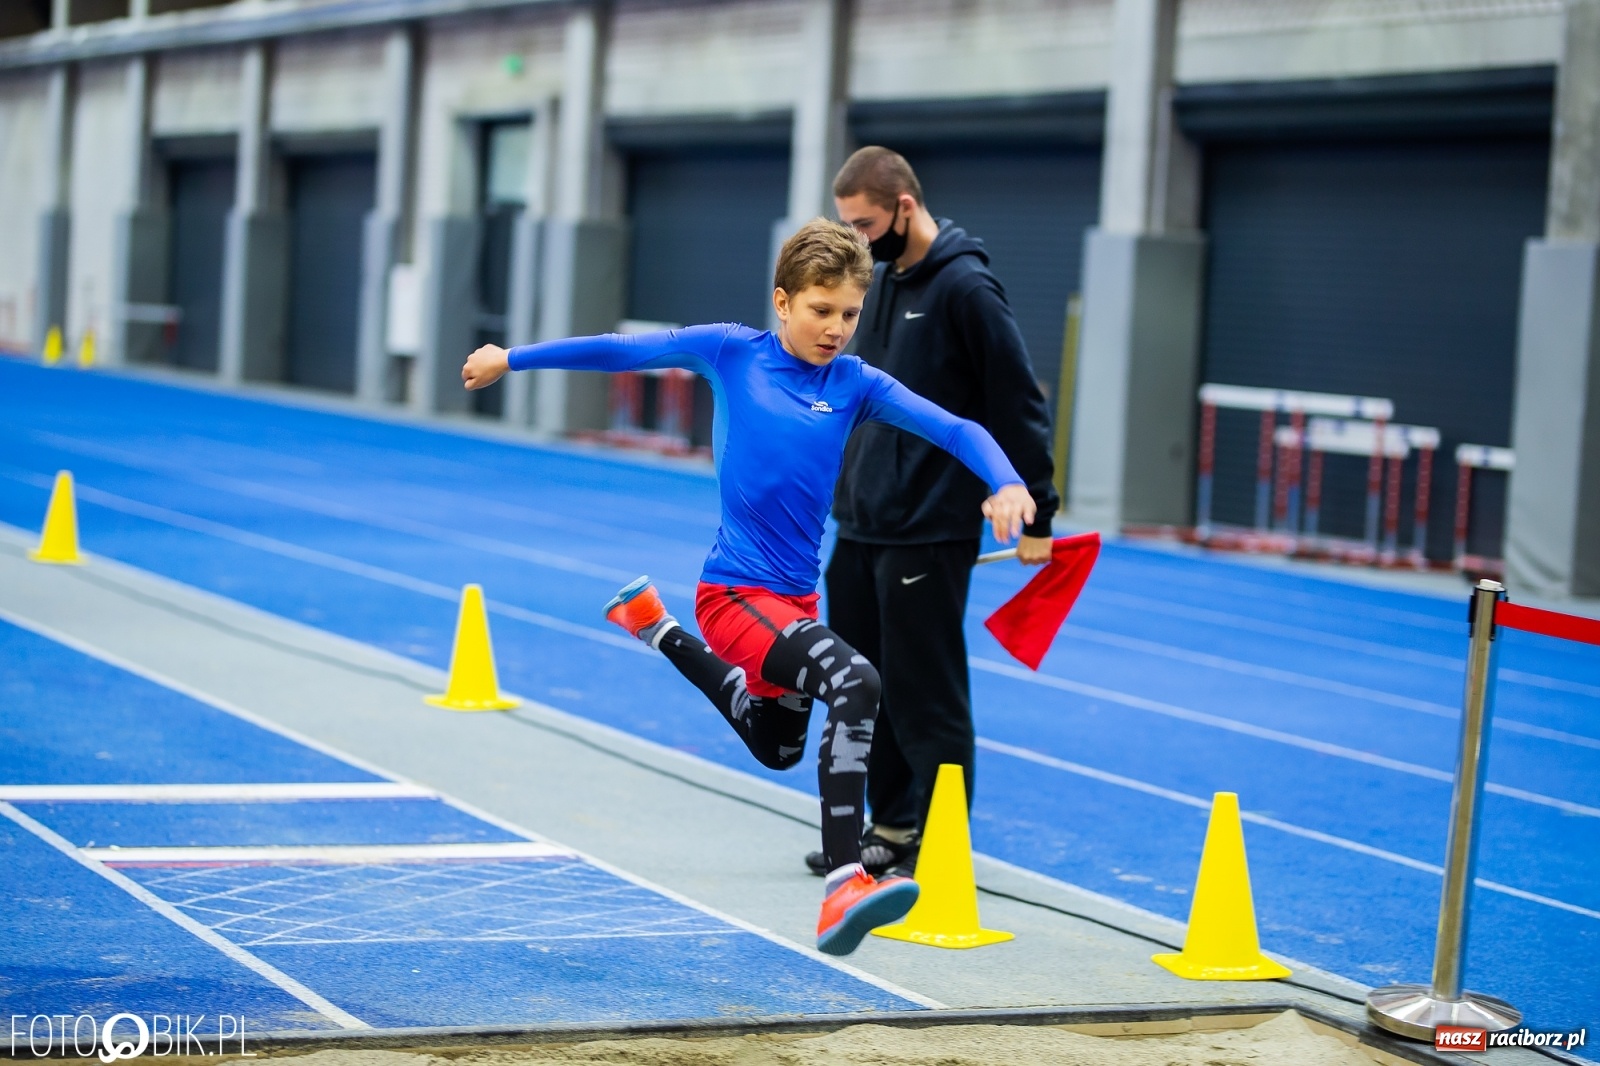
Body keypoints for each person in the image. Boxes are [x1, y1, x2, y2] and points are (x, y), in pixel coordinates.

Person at [459, 218, 1036, 957]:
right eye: (820, 310)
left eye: (851, 315)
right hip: (733, 596)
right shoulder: (732, 352)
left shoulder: (855, 385)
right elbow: (622, 351)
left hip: (792, 603)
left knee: (776, 744)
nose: (835, 329)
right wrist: (513, 357)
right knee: (856, 681)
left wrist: (1008, 482)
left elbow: (957, 429)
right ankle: (843, 882)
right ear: (783, 302)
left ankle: (653, 626)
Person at [806, 147, 1060, 879]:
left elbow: (1018, 402)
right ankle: (888, 827)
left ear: (904, 209)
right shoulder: (879, 284)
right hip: (861, 521)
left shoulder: (966, 289)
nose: (856, 239)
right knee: (861, 685)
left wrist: (1037, 511)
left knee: (926, 696)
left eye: (865, 224)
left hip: (930, 525)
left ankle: (941, 846)